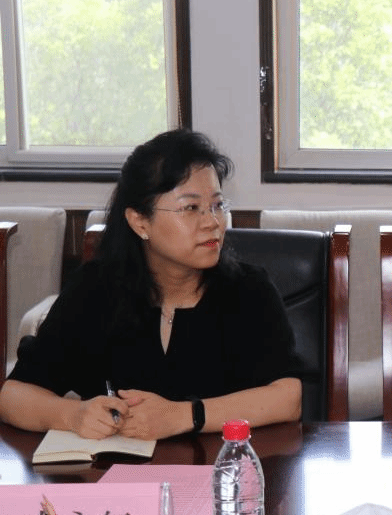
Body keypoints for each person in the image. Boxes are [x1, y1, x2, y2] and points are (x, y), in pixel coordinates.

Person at [0, 129, 302, 440]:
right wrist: (72, 415)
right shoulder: (95, 290)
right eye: (191, 208)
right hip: (118, 468)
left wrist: (185, 415)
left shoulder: (248, 291)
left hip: (221, 465)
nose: (213, 222)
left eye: (217, 205)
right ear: (140, 221)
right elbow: (14, 395)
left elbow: (288, 398)